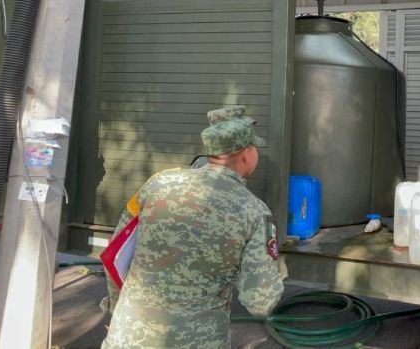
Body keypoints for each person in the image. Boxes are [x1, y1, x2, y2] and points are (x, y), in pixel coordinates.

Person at [101, 105, 284, 349]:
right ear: (247, 154)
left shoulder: (157, 184)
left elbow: (114, 255)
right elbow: (261, 302)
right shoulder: (254, 212)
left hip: (127, 335)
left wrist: (117, 309)